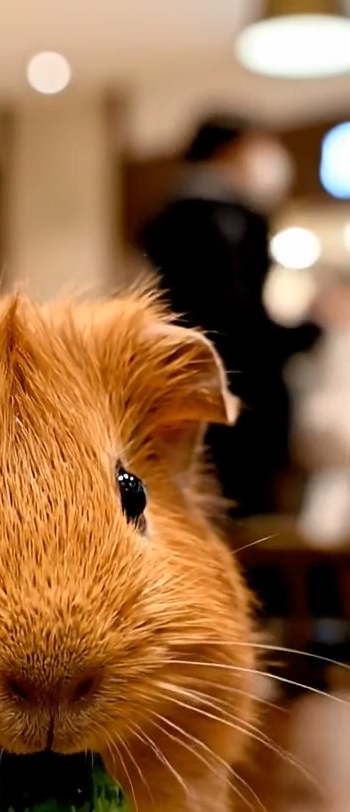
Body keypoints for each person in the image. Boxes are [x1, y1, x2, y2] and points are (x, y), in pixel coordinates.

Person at [141, 114, 322, 517]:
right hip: (235, 397)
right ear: (230, 151)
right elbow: (230, 320)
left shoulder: (173, 216)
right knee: (245, 520)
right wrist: (306, 333)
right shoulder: (220, 220)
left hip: (196, 389)